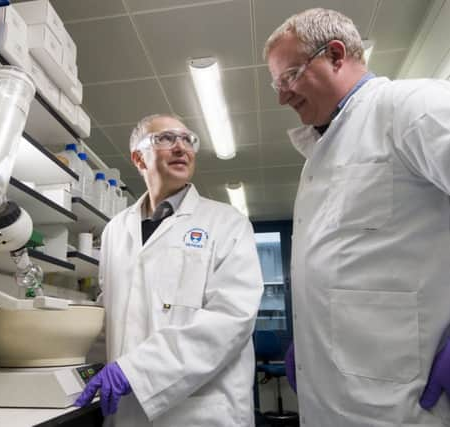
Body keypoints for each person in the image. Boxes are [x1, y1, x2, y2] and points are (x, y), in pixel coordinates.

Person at [263, 7, 450, 427]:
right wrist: (310, 340)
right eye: (276, 84)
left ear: (334, 54)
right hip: (336, 398)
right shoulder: (322, 151)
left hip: (402, 404)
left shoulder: (412, 107)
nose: (282, 96)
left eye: (289, 76)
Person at [74, 114, 264, 426]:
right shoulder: (115, 231)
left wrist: (137, 371)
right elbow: (111, 315)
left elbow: (232, 317)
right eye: (165, 139)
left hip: (201, 412)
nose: (181, 147)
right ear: (138, 158)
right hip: (125, 412)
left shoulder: (227, 223)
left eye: (187, 139)